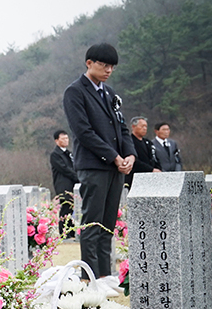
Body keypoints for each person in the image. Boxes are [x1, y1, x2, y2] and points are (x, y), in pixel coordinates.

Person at [62, 43, 134, 278]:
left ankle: (106, 275)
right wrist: (114, 156)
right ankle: (91, 276)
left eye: (112, 66)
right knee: (93, 224)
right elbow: (83, 132)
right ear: (89, 63)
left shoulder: (110, 93)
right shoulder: (75, 92)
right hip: (94, 166)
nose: (108, 70)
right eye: (103, 65)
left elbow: (122, 128)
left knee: (108, 224)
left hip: (116, 167)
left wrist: (130, 154)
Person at [49, 130, 76, 238]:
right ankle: (64, 231)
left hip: (73, 184)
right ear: (56, 141)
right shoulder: (55, 155)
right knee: (66, 207)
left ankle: (70, 229)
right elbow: (65, 169)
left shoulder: (69, 153)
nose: (66, 140)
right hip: (63, 185)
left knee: (71, 207)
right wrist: (78, 177)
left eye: (67, 138)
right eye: (63, 138)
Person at [126, 116, 159, 189]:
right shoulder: (129, 142)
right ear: (133, 126)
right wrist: (151, 169)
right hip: (135, 178)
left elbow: (155, 158)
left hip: (150, 178)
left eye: (146, 126)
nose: (145, 128)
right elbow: (135, 161)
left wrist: (158, 169)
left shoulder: (148, 143)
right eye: (142, 126)